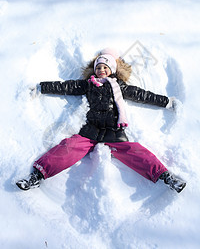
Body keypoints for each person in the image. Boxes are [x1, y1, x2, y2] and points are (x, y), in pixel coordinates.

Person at [16, 48, 186, 193]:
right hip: (90, 131)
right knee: (68, 147)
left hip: (114, 132)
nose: (102, 70)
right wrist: (41, 87)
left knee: (136, 152)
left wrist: (167, 102)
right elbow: (64, 86)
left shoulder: (120, 87)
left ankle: (166, 177)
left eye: (105, 67)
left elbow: (143, 95)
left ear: (111, 70)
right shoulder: (87, 84)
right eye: (99, 67)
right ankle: (36, 176)